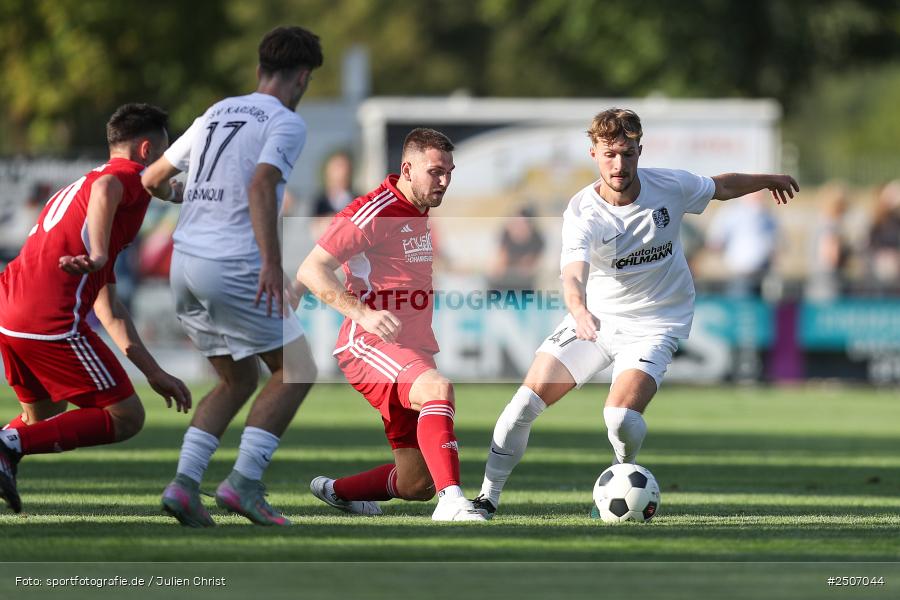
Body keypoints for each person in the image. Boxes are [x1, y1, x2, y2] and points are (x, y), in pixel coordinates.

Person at [472, 108, 798, 518]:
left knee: (621, 418)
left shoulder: (671, 185)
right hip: (595, 320)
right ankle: (486, 499)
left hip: (656, 324)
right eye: (609, 154)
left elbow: (720, 187)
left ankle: (621, 471)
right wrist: (579, 311)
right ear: (593, 153)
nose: (619, 164)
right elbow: (572, 277)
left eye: (627, 153)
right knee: (522, 405)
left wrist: (768, 179)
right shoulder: (582, 212)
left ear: (640, 150)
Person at [141, 26, 322, 527]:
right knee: (298, 369)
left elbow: (152, 178)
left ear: (261, 67)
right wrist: (270, 261)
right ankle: (243, 484)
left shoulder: (217, 111)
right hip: (234, 263)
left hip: (185, 265)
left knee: (237, 378)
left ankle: (183, 486)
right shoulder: (285, 121)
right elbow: (263, 185)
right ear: (303, 77)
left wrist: (190, 198)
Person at [0, 104, 192, 514]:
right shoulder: (126, 178)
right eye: (166, 153)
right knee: (126, 417)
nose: (168, 164)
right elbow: (109, 188)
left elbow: (110, 308)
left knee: (43, 417)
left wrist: (154, 372)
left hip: (11, 313)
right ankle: (5, 445)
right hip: (49, 318)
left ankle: (7, 444)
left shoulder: (82, 186)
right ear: (145, 150)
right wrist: (102, 253)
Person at [297, 128, 486, 522]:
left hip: (411, 348)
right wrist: (363, 314)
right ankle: (452, 502)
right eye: (436, 172)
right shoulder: (373, 210)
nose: (445, 181)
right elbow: (312, 269)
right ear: (407, 168)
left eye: (449, 172)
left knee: (416, 483)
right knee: (438, 389)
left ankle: (337, 492)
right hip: (368, 343)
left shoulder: (418, 208)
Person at [486, 206, 546, 291]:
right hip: (502, 282)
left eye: (522, 223)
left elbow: (527, 269)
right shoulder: (505, 235)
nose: (518, 227)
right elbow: (498, 265)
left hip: (525, 284)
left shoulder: (537, 240)